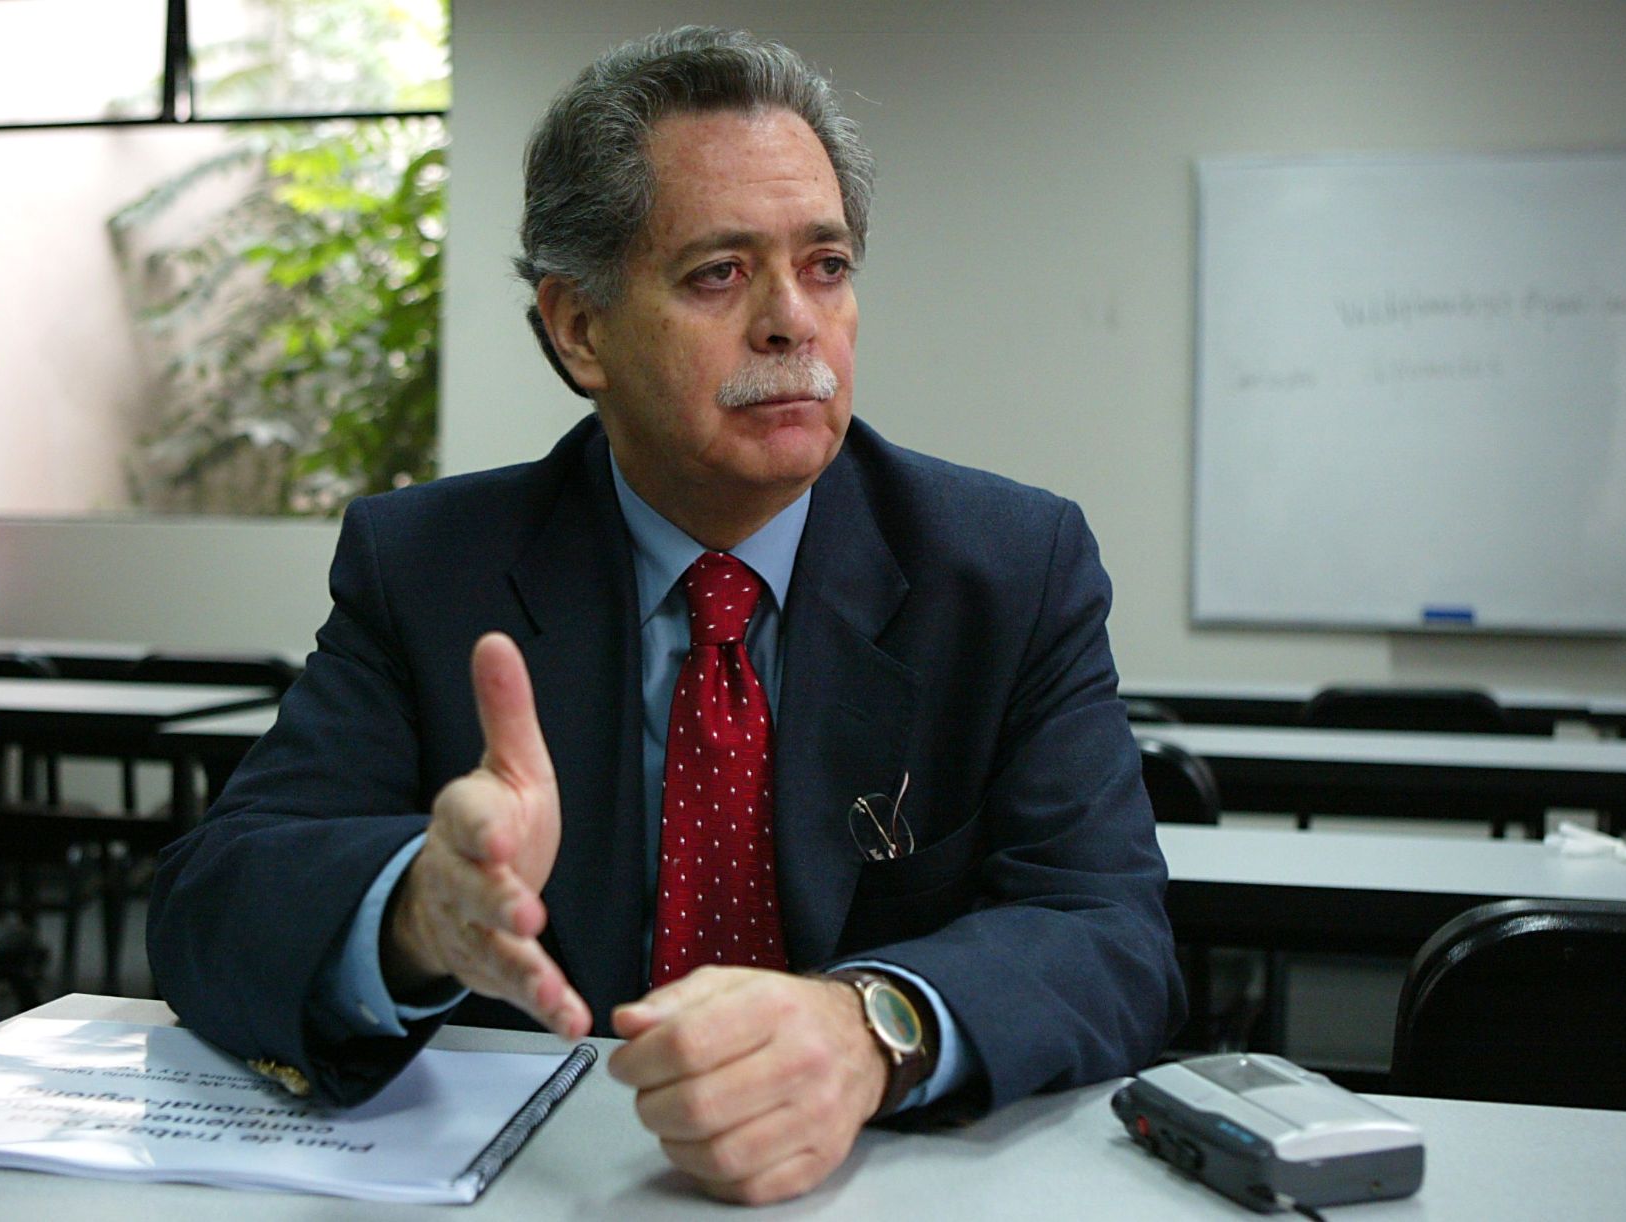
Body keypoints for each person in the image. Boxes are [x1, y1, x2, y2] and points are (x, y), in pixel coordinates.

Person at [149, 26, 1182, 1205]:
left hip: (880, 1182)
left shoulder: (1007, 567)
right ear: (578, 328)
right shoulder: (429, 567)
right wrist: (416, 909)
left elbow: (1111, 933)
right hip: (542, 1185)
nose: (795, 323)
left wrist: (870, 1025)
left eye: (828, 265)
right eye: (720, 274)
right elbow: (210, 902)